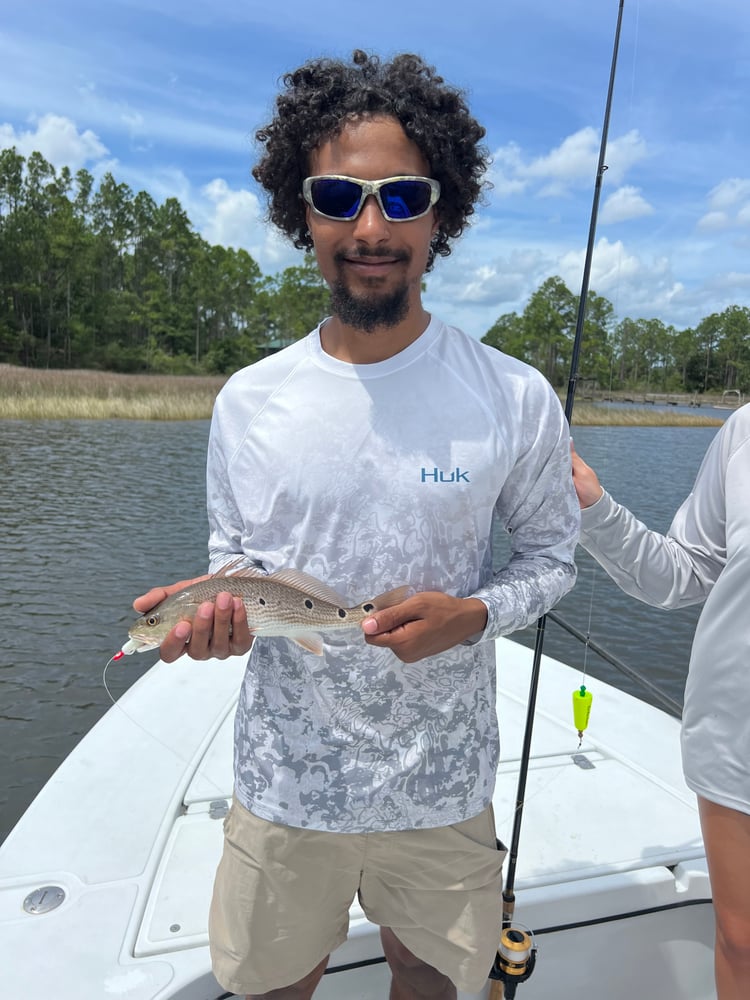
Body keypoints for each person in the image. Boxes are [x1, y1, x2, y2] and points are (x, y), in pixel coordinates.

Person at [135, 51, 580, 1000]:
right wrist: (215, 621)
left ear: (441, 214)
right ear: (302, 211)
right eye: (338, 196)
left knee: (427, 975)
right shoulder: (249, 401)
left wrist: (475, 615)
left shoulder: (513, 394)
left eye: (402, 195)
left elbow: (551, 560)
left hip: (443, 786)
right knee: (272, 986)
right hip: (285, 784)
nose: (369, 227)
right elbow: (236, 567)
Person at [571, 404, 750, 1000]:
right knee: (741, 940)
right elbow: (687, 571)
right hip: (733, 735)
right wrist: (593, 509)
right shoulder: (742, 431)